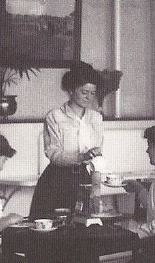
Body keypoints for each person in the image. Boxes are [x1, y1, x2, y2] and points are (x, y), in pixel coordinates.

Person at [29, 62, 103, 218]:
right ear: (71, 90)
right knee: (52, 228)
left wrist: (96, 187)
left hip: (84, 178)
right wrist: (81, 157)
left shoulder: (95, 118)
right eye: (84, 92)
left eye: (92, 93)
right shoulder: (54, 116)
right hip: (57, 180)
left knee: (80, 226)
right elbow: (53, 154)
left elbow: (98, 156)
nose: (89, 97)